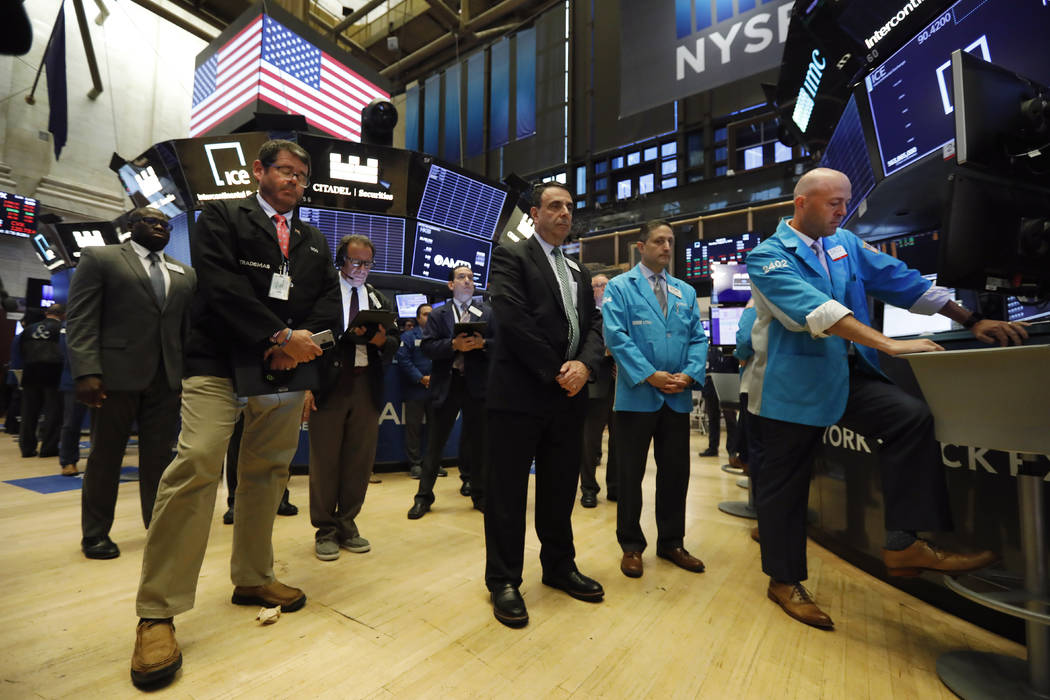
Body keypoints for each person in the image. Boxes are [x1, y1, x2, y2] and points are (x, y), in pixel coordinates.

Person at [745, 167, 1024, 630]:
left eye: (845, 201)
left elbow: (904, 281)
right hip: (790, 387)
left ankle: (902, 542)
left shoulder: (846, 244)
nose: (842, 210)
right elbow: (816, 311)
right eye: (833, 202)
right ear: (802, 203)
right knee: (785, 489)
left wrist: (970, 318)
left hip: (847, 373)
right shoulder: (769, 257)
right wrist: (889, 343)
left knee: (910, 419)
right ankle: (783, 580)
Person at [130, 139, 340, 688]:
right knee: (197, 463)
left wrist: (298, 344)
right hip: (217, 364)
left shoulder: (315, 240)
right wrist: (276, 334)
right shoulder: (221, 215)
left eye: (301, 175)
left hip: (284, 369)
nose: (294, 181)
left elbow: (326, 306)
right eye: (285, 172)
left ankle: (253, 577)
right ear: (259, 171)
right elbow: (221, 289)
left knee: (268, 473)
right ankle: (157, 611)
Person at [484, 182, 606, 629]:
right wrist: (560, 369)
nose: (564, 213)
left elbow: (595, 326)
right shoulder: (510, 256)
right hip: (520, 395)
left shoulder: (576, 268)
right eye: (555, 206)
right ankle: (503, 580)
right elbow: (512, 320)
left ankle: (558, 566)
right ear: (534, 213)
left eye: (570, 207)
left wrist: (585, 368)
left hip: (568, 398)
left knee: (559, 489)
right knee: (507, 494)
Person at [66, 208, 196, 560]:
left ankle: (158, 528)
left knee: (160, 460)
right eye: (151, 222)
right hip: (113, 376)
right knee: (105, 457)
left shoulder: (184, 272)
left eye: (165, 224)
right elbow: (81, 316)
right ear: (129, 227)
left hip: (166, 379)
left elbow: (186, 331)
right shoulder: (101, 257)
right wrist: (86, 370)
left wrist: (185, 375)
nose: (160, 228)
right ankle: (95, 534)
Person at [601, 220, 708, 579]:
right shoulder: (620, 287)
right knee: (630, 475)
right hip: (636, 397)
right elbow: (616, 336)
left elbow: (697, 338)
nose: (666, 247)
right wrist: (649, 374)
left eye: (670, 241)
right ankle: (631, 546)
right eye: (659, 241)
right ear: (640, 246)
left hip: (676, 397)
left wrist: (690, 374)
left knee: (676, 474)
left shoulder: (685, 292)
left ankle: (672, 542)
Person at [304, 234, 399, 561]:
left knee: (359, 461)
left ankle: (348, 523)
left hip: (366, 387)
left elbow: (393, 340)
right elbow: (308, 340)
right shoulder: (323, 294)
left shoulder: (377, 297)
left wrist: (381, 341)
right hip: (328, 385)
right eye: (355, 262)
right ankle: (325, 529)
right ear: (340, 262)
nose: (361, 269)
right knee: (325, 461)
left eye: (368, 263)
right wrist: (306, 386)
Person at [408, 265, 494, 519]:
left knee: (479, 444)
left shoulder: (488, 312)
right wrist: (453, 345)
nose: (467, 281)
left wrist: (483, 344)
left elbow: (501, 344)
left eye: (471, 278)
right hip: (448, 383)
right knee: (435, 444)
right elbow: (427, 348)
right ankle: (423, 497)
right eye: (461, 277)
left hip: (477, 386)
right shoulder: (439, 314)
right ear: (450, 285)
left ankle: (479, 494)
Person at [579, 273, 619, 507]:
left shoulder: (620, 311)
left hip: (621, 382)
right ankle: (588, 488)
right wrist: (603, 355)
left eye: (604, 284)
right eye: (596, 285)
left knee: (619, 440)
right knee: (589, 441)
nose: (600, 288)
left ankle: (615, 487)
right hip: (595, 382)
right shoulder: (586, 315)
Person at [19, 303, 65, 458]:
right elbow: (64, 352)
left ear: (47, 313)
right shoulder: (62, 329)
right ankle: (48, 448)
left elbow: (22, 351)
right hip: (53, 374)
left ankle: (26, 448)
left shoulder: (29, 329)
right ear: (63, 315)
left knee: (28, 414)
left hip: (30, 373)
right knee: (53, 414)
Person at [396, 302, 433, 479]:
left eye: (431, 314)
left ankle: (432, 463)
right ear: (418, 318)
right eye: (425, 314)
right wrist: (421, 378)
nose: (429, 317)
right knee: (414, 429)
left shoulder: (440, 336)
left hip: (436, 389)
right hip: (415, 390)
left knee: (436, 429)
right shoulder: (408, 336)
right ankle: (415, 464)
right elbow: (403, 360)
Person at [698, 346, 738, 460]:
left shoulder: (730, 348)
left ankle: (732, 450)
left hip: (728, 386)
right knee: (713, 419)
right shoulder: (709, 350)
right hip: (710, 387)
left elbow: (735, 368)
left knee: (730, 419)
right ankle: (712, 448)